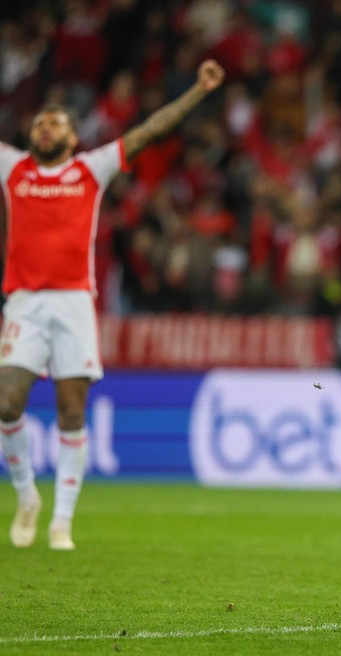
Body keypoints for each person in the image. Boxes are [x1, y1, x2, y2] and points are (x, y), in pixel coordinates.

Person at [0, 59, 226, 550]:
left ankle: (61, 520)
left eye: (57, 122)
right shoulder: (12, 167)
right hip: (23, 303)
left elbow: (150, 129)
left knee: (71, 412)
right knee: (6, 403)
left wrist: (198, 90)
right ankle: (26, 497)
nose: (46, 126)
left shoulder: (89, 169)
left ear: (74, 135)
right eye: (40, 121)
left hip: (75, 302)